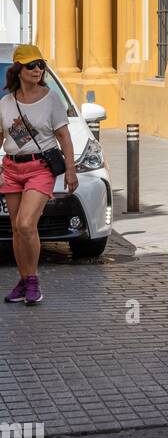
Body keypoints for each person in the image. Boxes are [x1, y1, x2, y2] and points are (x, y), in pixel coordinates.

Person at [1, 46, 77, 307]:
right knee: (16, 229)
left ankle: (33, 281)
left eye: (40, 65)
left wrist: (71, 169)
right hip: (11, 168)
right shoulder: (6, 103)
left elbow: (64, 137)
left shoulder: (51, 98)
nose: (37, 70)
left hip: (40, 168)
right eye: (31, 65)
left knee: (25, 224)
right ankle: (23, 281)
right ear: (18, 70)